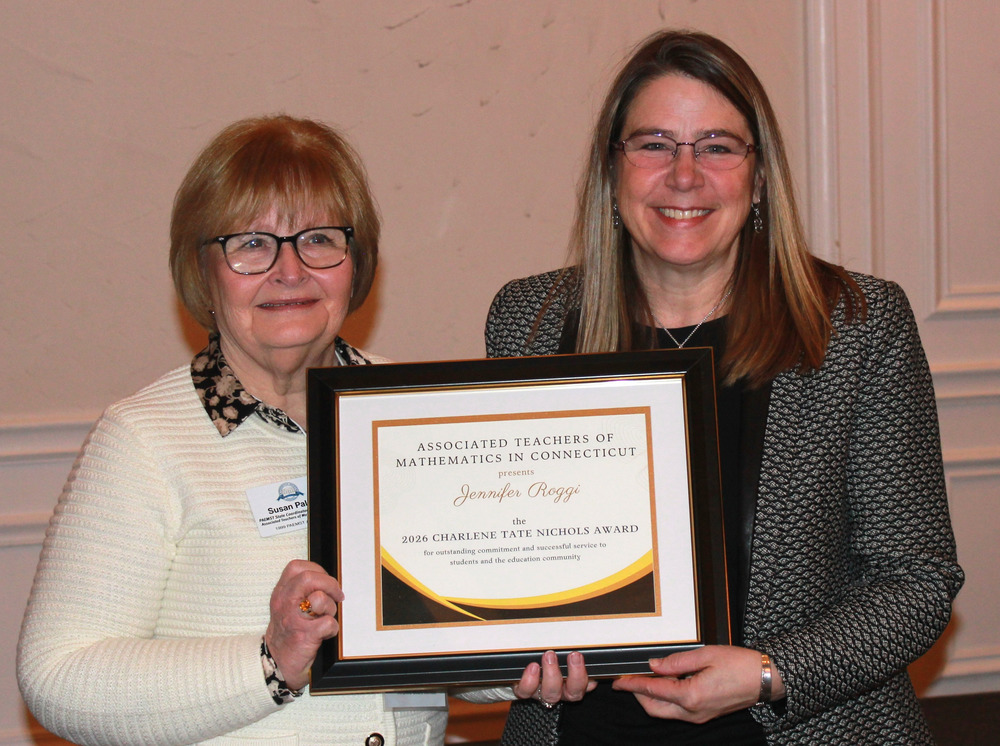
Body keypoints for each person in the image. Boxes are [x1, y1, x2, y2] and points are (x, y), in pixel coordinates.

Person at [483, 30, 964, 745]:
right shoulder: (530, 320)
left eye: (716, 146)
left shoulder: (855, 325)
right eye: (653, 145)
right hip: (580, 730)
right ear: (612, 171)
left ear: (759, 177)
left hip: (798, 728)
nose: (684, 176)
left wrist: (773, 672)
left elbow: (918, 582)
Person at [17, 115, 447, 746]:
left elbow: (445, 640)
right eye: (251, 243)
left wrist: (526, 660)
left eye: (318, 239)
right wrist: (271, 660)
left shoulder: (419, 413)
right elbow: (60, 678)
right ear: (204, 272)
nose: (290, 270)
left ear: (356, 261)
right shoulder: (145, 439)